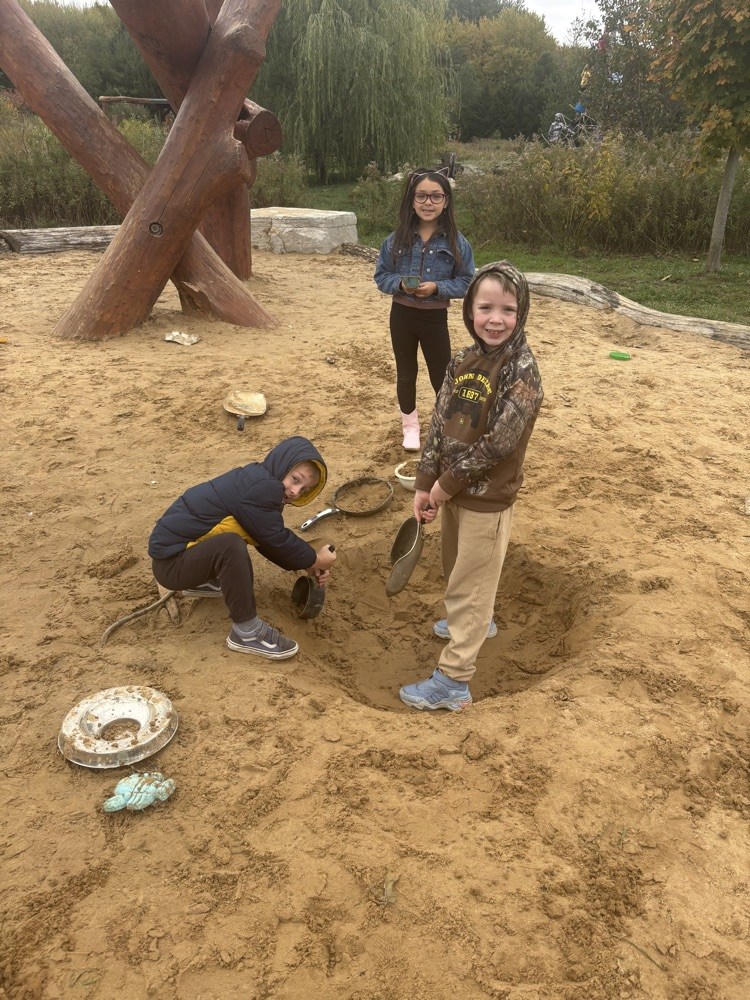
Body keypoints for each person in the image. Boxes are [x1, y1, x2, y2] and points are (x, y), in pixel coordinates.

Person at [399, 261, 544, 711]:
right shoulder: (462, 360)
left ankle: (453, 681)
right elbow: (441, 422)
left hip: (487, 499)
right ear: (469, 310)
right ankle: (478, 621)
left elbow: (498, 446)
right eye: (485, 307)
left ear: (521, 313)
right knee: (459, 568)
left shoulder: (522, 373)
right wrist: (425, 483)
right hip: (451, 492)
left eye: (507, 309)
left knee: (470, 584)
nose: (495, 319)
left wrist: (442, 486)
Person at [148, 437, 337, 660]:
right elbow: (275, 538)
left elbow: (266, 541)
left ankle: (201, 581)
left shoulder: (258, 481)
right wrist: (314, 559)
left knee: (230, 541)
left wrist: (307, 564)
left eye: (304, 489)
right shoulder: (262, 489)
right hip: (172, 565)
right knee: (230, 545)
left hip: (177, 556)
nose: (296, 491)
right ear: (281, 466)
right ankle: (246, 632)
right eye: (295, 479)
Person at [373, 167, 474, 453]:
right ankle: (411, 427)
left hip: (434, 318)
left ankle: (444, 426)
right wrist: (400, 285)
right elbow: (381, 276)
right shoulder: (395, 240)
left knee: (441, 375)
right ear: (412, 200)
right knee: (406, 372)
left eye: (435, 196)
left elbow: (466, 282)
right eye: (421, 196)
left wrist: (437, 288)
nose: (428, 203)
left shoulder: (457, 242)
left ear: (446, 201)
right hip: (402, 315)